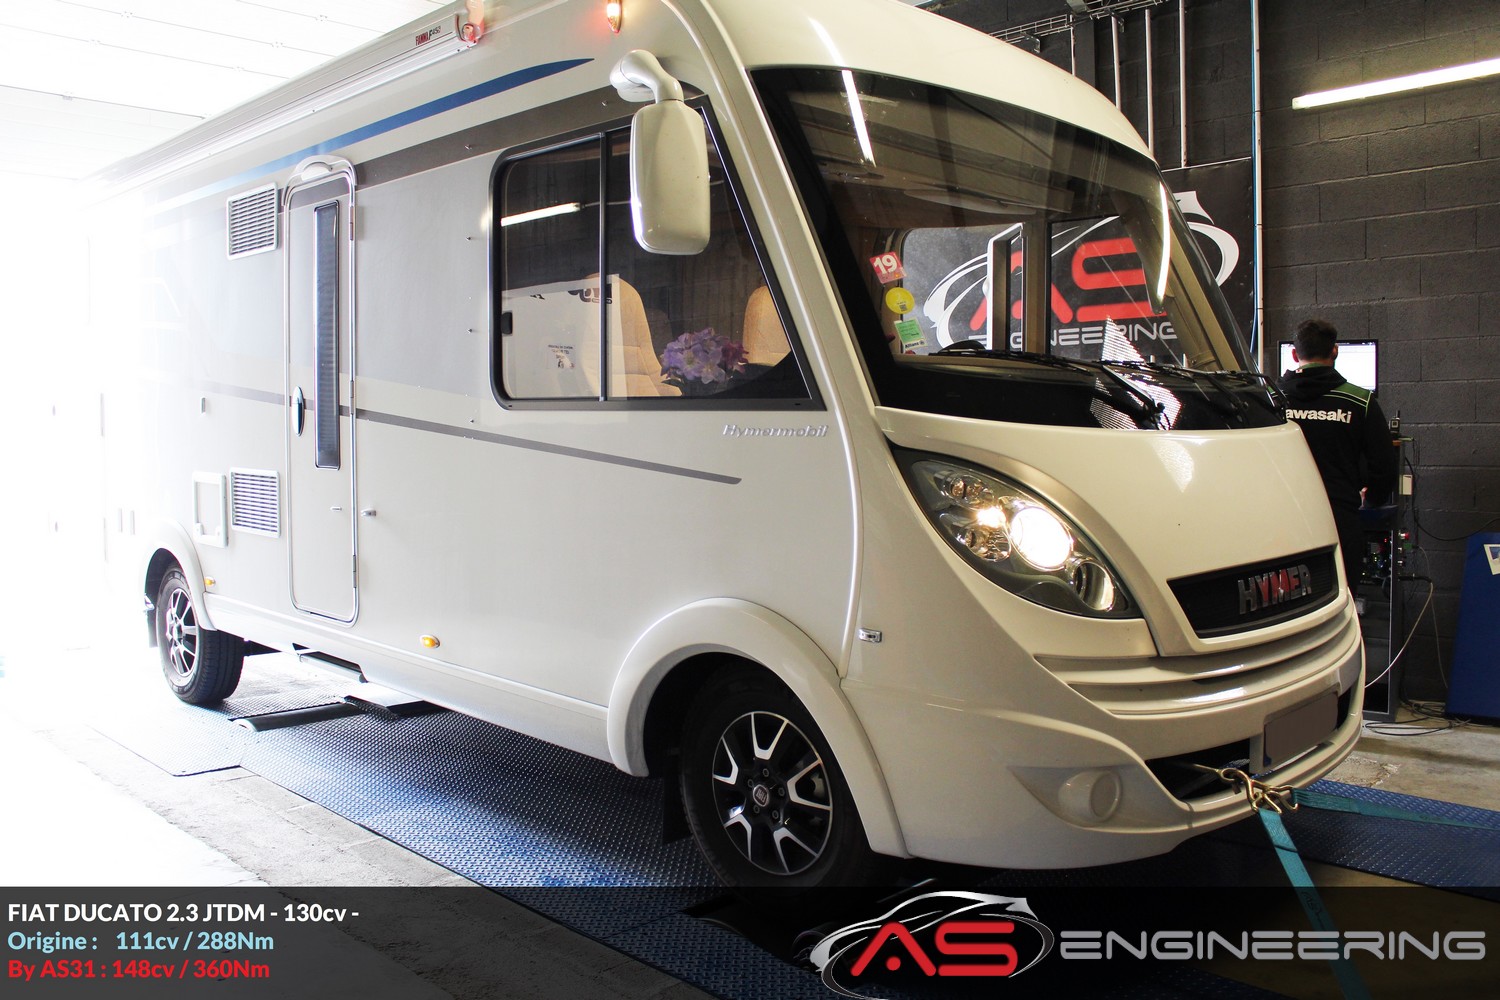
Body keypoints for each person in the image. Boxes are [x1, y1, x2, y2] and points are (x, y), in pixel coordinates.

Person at [1279, 318, 1398, 589]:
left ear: (1295, 355)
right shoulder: (1360, 401)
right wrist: (1372, 499)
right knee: (1341, 597)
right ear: (1335, 351)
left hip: (1284, 522)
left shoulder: (1273, 399)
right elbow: (1384, 466)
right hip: (1339, 519)